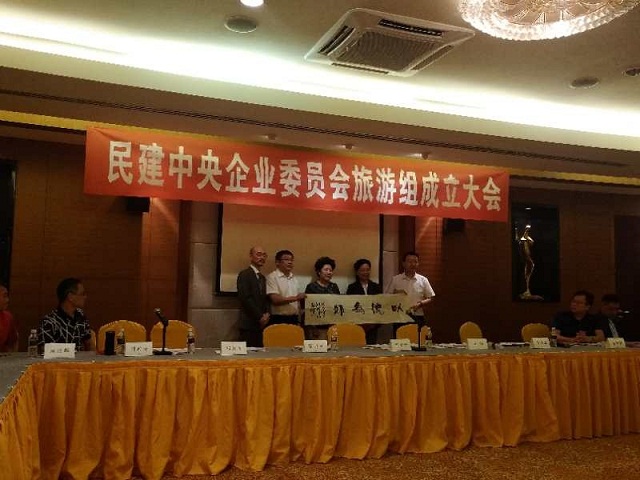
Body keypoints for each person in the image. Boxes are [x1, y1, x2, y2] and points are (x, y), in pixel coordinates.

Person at [385, 252, 435, 334]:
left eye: (415, 261)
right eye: (410, 261)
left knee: (418, 340)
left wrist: (420, 304)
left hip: (417, 316)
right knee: (400, 340)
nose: (413, 264)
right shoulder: (396, 279)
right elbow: (387, 297)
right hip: (400, 317)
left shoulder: (423, 280)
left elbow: (430, 297)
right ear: (403, 263)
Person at [39, 278, 94, 351]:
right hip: (57, 358)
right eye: (82, 294)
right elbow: (45, 349)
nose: (85, 297)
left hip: (79, 358)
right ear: (70, 297)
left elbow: (89, 344)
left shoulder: (81, 316)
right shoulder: (49, 322)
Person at [236, 246, 270, 347]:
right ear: (251, 256)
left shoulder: (262, 277)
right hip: (248, 322)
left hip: (261, 324)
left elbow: (265, 299)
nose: (262, 258)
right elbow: (245, 298)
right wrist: (260, 316)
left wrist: (267, 314)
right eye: (259, 254)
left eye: (264, 255)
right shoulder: (244, 274)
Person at [346, 258, 382, 344]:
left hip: (373, 325)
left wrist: (375, 324)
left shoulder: (376, 287)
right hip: (357, 325)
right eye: (362, 270)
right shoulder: (352, 288)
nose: (365, 272)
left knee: (371, 348)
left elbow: (381, 305)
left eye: (367, 270)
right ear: (357, 272)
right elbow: (349, 307)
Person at [266, 250, 305, 325]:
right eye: (286, 259)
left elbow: (298, 303)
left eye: (291, 260)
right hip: (279, 319)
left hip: (294, 318)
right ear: (277, 262)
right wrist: (296, 298)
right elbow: (275, 299)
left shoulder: (294, 278)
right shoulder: (272, 277)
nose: (290, 262)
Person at [0, 284, 18, 352]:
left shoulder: (8, 317)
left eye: (7, 296)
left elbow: (14, 341)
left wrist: (12, 355)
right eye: (4, 296)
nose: (7, 300)